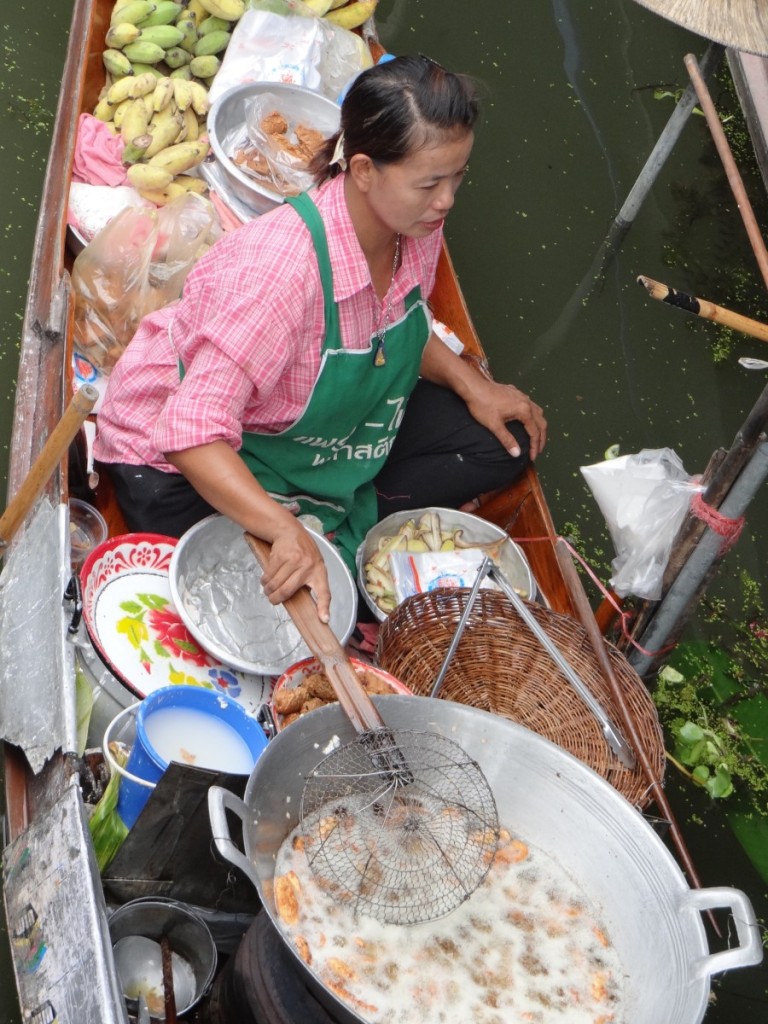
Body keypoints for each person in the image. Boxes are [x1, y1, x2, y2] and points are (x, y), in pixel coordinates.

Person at [94, 55, 547, 624]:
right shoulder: (280, 273)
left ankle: (333, 516)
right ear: (362, 169)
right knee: (257, 607)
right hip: (185, 458)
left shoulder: (415, 225)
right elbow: (190, 434)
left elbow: (399, 323)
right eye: (431, 182)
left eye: (458, 177)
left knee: (503, 440)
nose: (447, 200)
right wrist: (284, 530)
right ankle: (317, 520)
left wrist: (472, 383)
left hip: (314, 430)